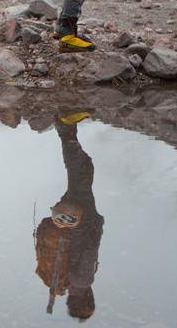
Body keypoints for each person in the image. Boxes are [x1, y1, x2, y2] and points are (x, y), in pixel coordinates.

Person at [34, 109, 104, 320]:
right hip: (69, 223)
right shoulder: (62, 283)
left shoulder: (83, 281)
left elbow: (91, 249)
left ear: (88, 298)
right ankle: (67, 129)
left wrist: (97, 224)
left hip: (81, 222)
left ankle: (65, 127)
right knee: (81, 174)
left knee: (80, 173)